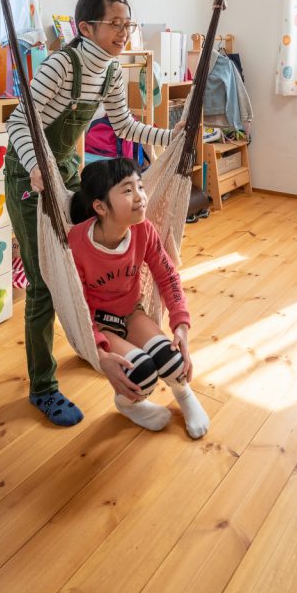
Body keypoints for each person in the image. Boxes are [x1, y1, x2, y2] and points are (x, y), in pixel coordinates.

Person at [5, 0, 185, 427]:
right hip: (30, 173)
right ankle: (43, 387)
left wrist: (173, 137)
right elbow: (17, 122)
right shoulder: (61, 65)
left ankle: (93, 342)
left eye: (128, 24)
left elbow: (123, 124)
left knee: (81, 262)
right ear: (86, 28)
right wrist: (36, 167)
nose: (124, 32)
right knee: (47, 279)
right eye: (115, 24)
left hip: (65, 167)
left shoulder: (109, 71)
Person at [68, 157, 210, 439]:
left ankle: (183, 393)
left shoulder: (143, 230)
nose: (141, 197)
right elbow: (77, 306)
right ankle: (128, 405)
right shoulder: (77, 245)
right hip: (100, 324)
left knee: (174, 361)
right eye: (127, 190)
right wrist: (99, 352)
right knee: (141, 373)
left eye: (140, 187)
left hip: (132, 312)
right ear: (100, 207)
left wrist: (181, 326)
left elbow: (168, 276)